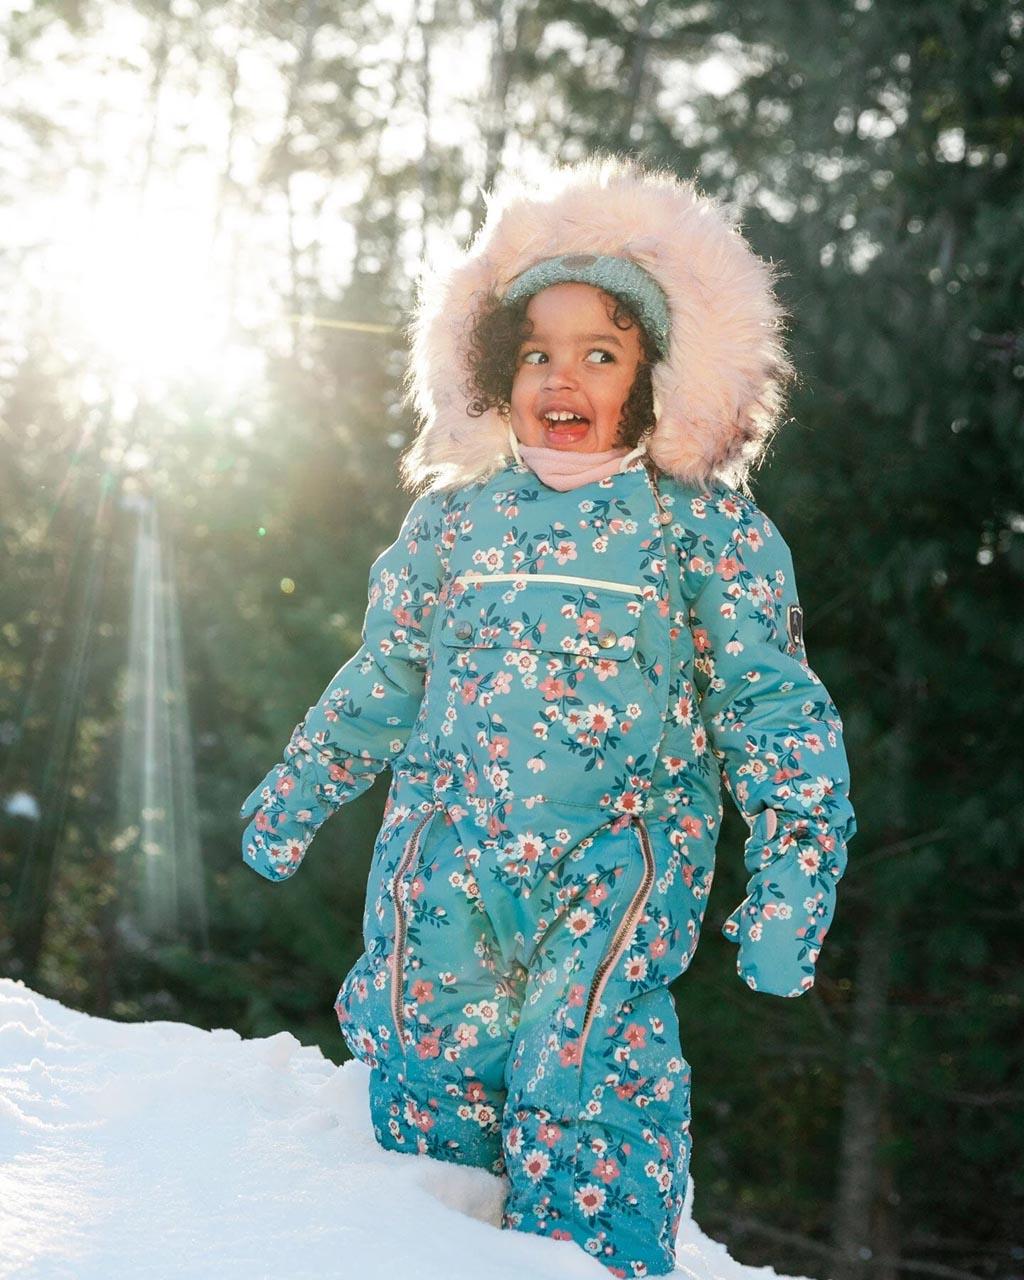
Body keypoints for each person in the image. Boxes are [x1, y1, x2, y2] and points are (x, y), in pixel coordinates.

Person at [239, 156, 857, 1278]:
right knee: (426, 1099)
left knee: (586, 1088)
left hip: (611, 881)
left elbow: (774, 711)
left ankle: (590, 1263)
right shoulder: (452, 527)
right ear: (491, 370)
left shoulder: (701, 533)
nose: (560, 375)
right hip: (443, 875)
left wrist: (791, 879)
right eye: (536, 351)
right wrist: (301, 786)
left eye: (600, 351)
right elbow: (383, 675)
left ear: (659, 377)